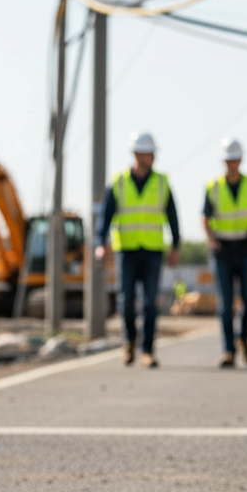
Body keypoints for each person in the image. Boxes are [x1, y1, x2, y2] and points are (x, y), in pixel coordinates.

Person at [95, 131, 179, 368]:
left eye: (153, 153)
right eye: (148, 153)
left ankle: (147, 350)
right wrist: (100, 244)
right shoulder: (119, 182)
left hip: (152, 250)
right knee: (126, 301)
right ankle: (129, 340)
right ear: (137, 155)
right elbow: (105, 216)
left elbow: (172, 215)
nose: (152, 157)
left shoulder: (162, 182)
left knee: (151, 302)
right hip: (127, 250)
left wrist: (176, 244)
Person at [203, 138, 247, 368]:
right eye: (228, 159)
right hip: (223, 251)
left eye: (235, 159)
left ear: (240, 160)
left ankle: (244, 337)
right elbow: (205, 217)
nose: (232, 163)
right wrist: (211, 240)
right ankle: (229, 350)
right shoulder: (214, 186)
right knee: (225, 303)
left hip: (246, 249)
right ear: (224, 161)